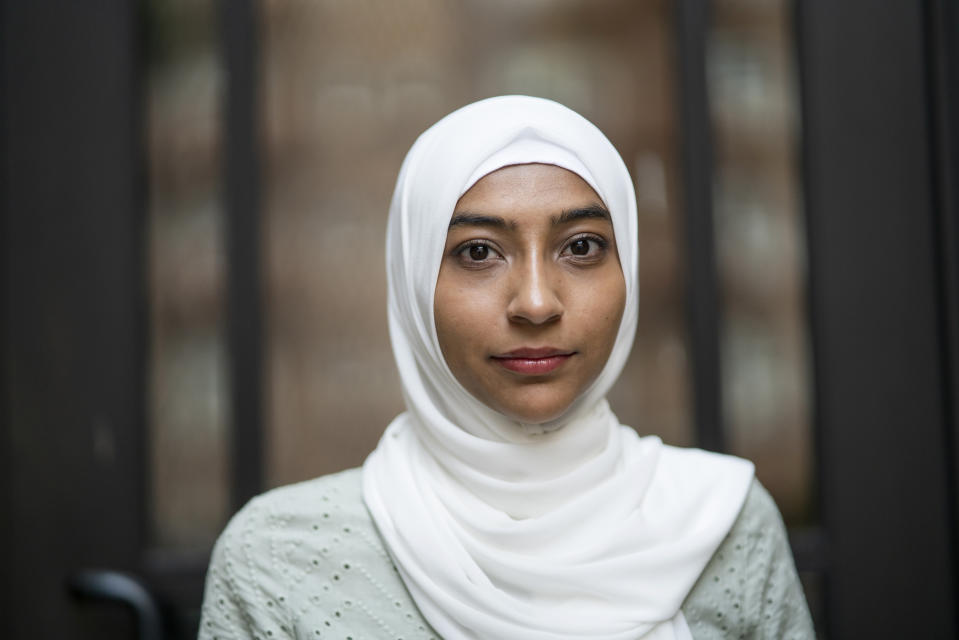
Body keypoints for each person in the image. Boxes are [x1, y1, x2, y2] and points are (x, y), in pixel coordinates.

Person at [198, 96, 814, 640]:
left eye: (581, 247)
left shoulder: (723, 524)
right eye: (478, 252)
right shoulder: (279, 558)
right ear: (414, 285)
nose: (537, 303)